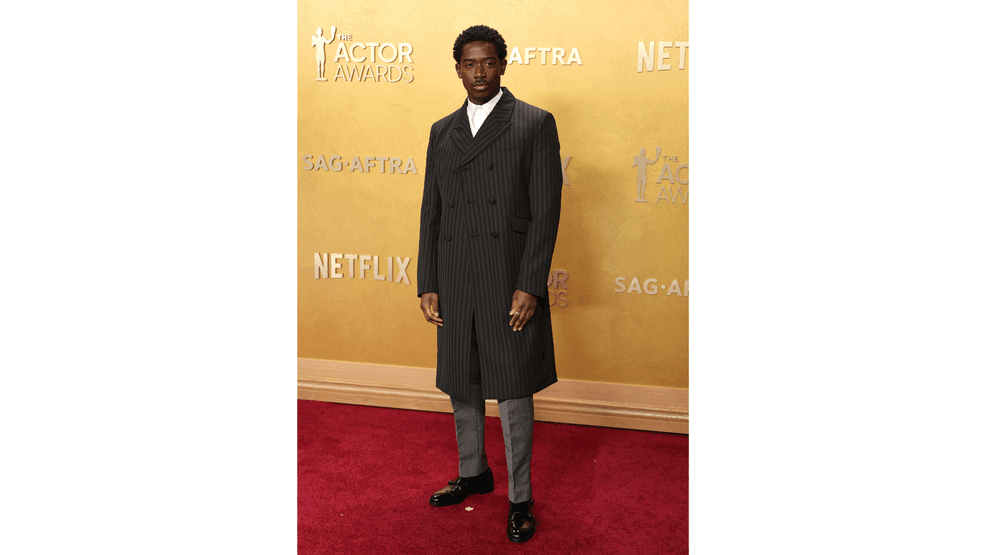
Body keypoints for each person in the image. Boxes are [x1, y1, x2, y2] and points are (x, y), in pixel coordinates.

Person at [416, 24, 563, 544]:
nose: (479, 73)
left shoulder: (532, 123)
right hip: (455, 275)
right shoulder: (441, 130)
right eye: (469, 63)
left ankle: (520, 498)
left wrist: (530, 284)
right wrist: (427, 279)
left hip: (507, 276)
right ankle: (474, 471)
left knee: (513, 390)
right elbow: (430, 211)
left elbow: (546, 213)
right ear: (457, 68)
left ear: (504, 64)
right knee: (463, 380)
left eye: (488, 62)